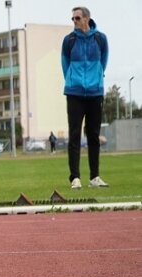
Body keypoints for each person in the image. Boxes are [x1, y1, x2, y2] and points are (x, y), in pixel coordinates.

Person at [61, 6, 109, 189]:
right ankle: (75, 178)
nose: (74, 21)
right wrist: (73, 81)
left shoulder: (100, 39)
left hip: (95, 93)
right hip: (74, 93)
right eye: (72, 18)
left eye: (77, 18)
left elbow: (103, 61)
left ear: (87, 18)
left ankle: (94, 177)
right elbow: (65, 63)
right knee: (74, 135)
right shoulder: (69, 40)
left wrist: (95, 79)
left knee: (94, 136)